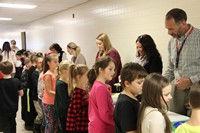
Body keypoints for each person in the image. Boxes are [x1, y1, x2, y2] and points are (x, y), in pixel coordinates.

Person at [164, 8, 200, 116]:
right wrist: (160, 84)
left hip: (196, 90)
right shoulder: (171, 42)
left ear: (183, 23)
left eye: (171, 29)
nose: (169, 33)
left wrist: (190, 81)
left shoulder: (198, 38)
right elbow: (170, 69)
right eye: (167, 29)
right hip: (176, 92)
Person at [114, 62, 147, 133]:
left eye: (144, 82)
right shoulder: (125, 104)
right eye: (139, 83)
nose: (143, 85)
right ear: (127, 83)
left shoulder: (133, 98)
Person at [87, 56, 115, 133]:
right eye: (110, 69)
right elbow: (104, 114)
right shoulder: (100, 88)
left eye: (113, 69)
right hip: (102, 128)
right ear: (101, 70)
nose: (113, 72)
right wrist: (117, 123)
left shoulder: (98, 85)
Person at [0, 61, 23, 133]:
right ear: (12, 70)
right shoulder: (16, 81)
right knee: (13, 122)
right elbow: (21, 93)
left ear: (1, 71)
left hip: (2, 107)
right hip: (13, 107)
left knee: (5, 124)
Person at [66, 64, 89, 133]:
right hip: (77, 127)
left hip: (82, 125)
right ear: (79, 77)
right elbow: (78, 111)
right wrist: (90, 111)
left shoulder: (82, 91)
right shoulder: (77, 93)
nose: (88, 77)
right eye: (86, 75)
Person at [42, 53, 59, 132]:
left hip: (55, 101)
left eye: (57, 62)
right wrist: (59, 94)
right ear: (48, 63)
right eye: (55, 62)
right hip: (48, 102)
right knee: (50, 123)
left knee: (56, 123)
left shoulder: (56, 73)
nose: (57, 64)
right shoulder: (48, 75)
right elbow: (49, 91)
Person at [53, 60, 72, 133]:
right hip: (63, 114)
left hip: (64, 112)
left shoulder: (65, 82)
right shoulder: (60, 84)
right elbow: (64, 103)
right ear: (64, 71)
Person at [32, 55, 44, 132]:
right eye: (39, 62)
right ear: (36, 63)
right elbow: (38, 86)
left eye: (42, 62)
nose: (41, 64)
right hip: (36, 97)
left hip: (42, 97)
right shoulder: (35, 73)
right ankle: (35, 128)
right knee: (40, 115)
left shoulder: (43, 72)